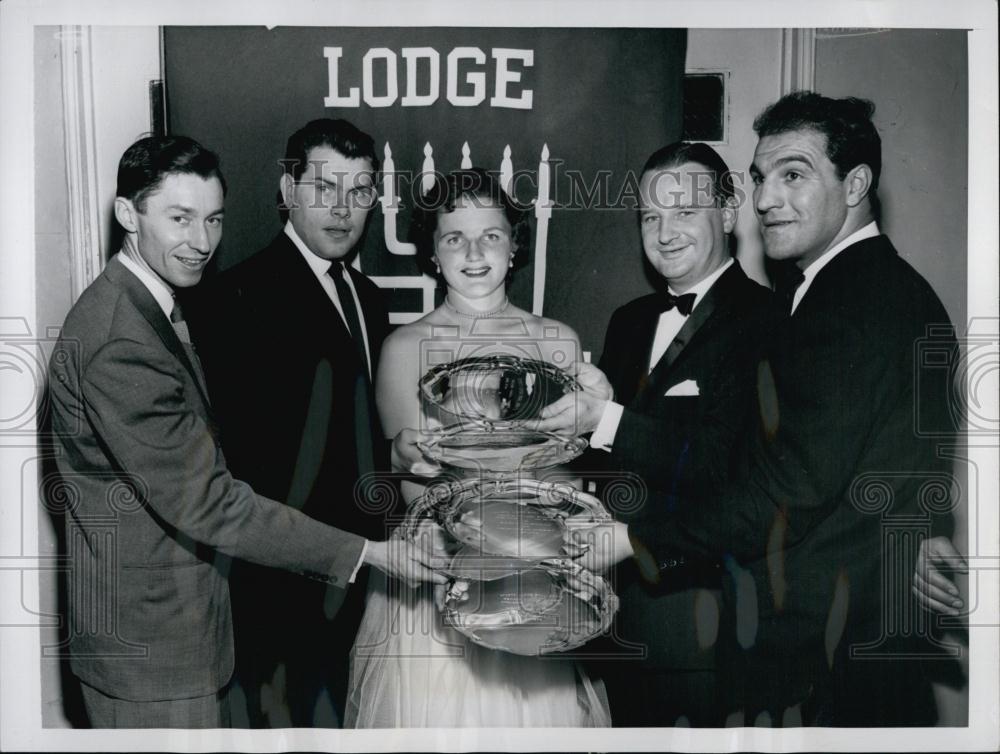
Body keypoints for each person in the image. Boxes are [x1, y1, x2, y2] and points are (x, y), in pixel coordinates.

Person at [569, 92, 958, 726]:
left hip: (821, 666)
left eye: (793, 175)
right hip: (842, 651)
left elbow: (775, 494)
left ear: (856, 182)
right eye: (760, 177)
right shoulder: (867, 290)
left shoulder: (844, 307)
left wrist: (627, 539)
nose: (767, 198)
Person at [47, 135, 444, 729]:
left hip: (181, 631)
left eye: (213, 219)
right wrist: (369, 553)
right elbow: (210, 500)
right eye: (179, 219)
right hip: (155, 649)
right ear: (128, 214)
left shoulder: (150, 305)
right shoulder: (120, 341)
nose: (202, 242)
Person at [344, 168, 611, 727]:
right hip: (441, 572)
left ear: (515, 246)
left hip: (535, 569)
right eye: (453, 237)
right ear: (433, 255)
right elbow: (418, 486)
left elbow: (562, 471)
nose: (473, 251)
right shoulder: (403, 348)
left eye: (490, 234)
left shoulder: (558, 340)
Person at [536, 141, 777, 726]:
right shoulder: (629, 320)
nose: (665, 233)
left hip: (700, 629)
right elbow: (612, 463)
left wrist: (605, 418)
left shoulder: (769, 321)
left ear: (726, 213)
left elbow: (726, 466)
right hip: (611, 618)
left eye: (685, 212)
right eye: (651, 216)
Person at [188, 118, 393, 727]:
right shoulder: (233, 300)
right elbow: (241, 475)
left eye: (360, 191)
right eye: (325, 188)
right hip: (282, 597)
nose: (342, 209)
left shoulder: (368, 295)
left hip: (366, 583)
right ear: (287, 188)